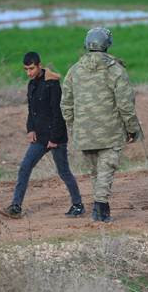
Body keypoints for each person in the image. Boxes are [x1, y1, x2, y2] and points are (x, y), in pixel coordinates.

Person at [61, 28, 143, 223]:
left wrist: (74, 127)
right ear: (107, 45)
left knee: (95, 173)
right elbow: (125, 104)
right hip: (110, 131)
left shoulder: (74, 70)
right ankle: (101, 209)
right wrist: (132, 128)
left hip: (84, 132)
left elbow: (66, 104)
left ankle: (99, 207)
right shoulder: (115, 70)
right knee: (106, 170)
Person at [0, 52, 84, 219]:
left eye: (31, 68)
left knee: (63, 172)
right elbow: (32, 111)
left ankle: (78, 205)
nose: (28, 72)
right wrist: (30, 129)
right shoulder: (31, 85)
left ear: (39, 66)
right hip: (39, 138)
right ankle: (16, 207)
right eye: (26, 69)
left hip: (55, 137)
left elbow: (58, 113)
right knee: (25, 167)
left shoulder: (52, 84)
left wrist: (54, 139)